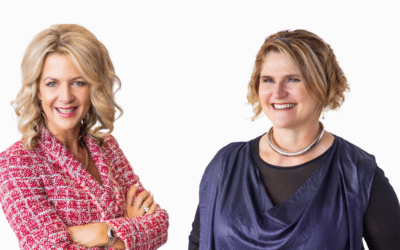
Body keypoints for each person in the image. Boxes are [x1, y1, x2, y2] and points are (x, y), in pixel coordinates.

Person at [189, 30, 400, 249]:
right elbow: (198, 243)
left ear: (322, 86)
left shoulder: (356, 172)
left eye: (293, 79)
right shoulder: (226, 165)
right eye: (268, 80)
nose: (278, 93)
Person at [0, 24, 168, 249]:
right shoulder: (16, 163)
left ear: (94, 87)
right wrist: (123, 230)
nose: (66, 96)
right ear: (37, 90)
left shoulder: (106, 147)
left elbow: (160, 225)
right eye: (52, 84)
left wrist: (101, 232)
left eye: (78, 82)